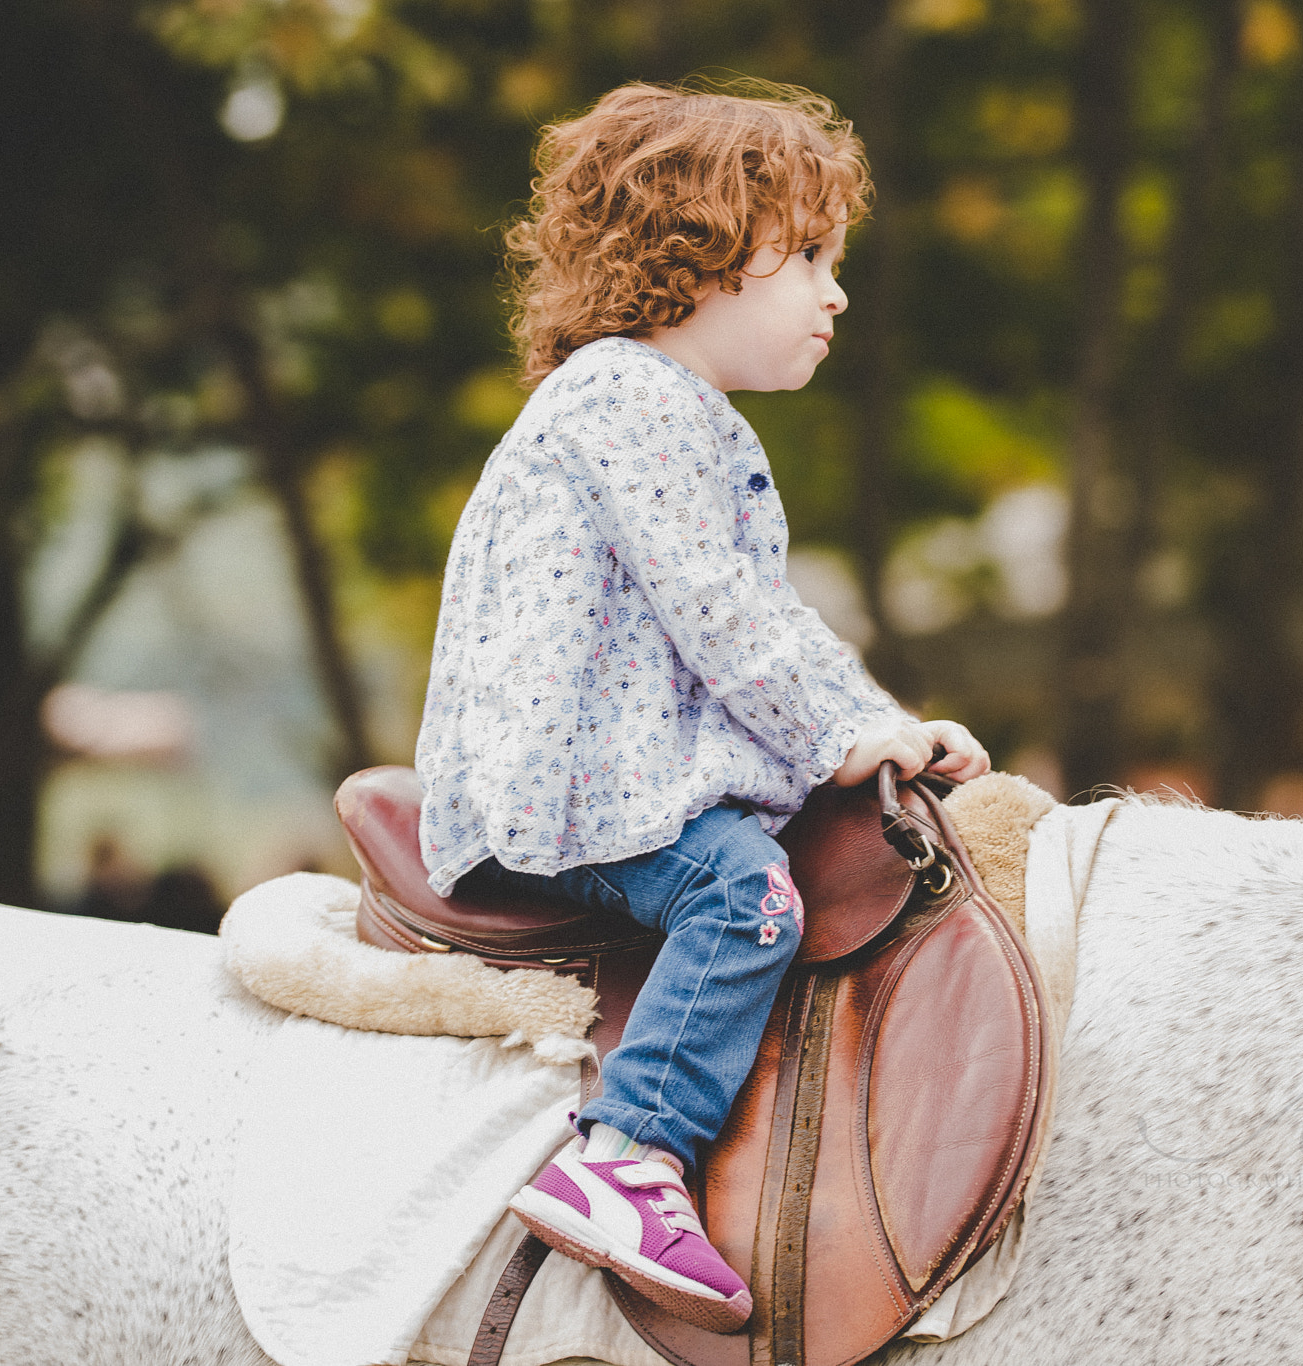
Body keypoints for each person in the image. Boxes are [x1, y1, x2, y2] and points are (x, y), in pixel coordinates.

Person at [414, 80, 991, 1334]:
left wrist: (850, 728)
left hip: (628, 767)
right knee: (748, 895)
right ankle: (626, 1153)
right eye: (807, 259)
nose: (835, 293)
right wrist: (855, 730)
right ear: (699, 261)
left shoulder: (673, 409)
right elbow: (726, 613)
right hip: (580, 787)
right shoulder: (627, 400)